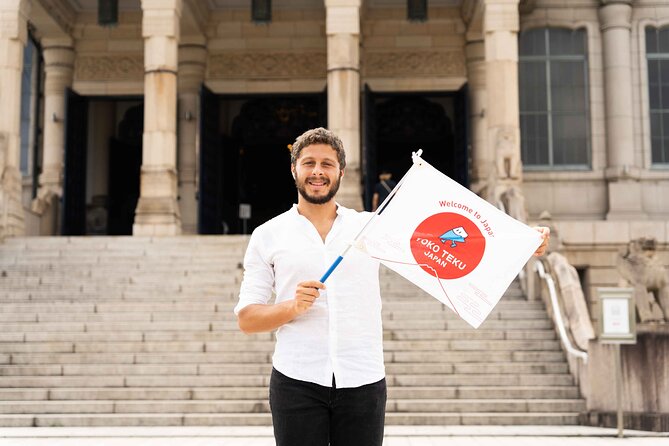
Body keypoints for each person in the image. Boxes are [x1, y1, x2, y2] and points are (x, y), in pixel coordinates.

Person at [235, 127, 549, 446]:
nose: (318, 172)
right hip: (295, 380)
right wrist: (291, 307)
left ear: (341, 172)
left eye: (327, 164)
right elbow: (247, 318)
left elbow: (448, 238)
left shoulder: (371, 226)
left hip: (363, 381)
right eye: (309, 163)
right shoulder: (268, 235)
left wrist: (520, 241)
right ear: (294, 169)